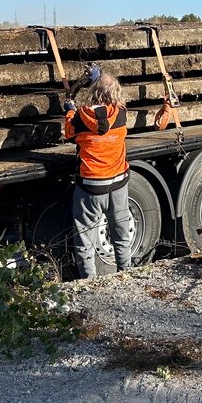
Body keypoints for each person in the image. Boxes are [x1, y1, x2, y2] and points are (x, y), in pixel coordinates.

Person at [63, 71, 134, 278]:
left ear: (94, 91)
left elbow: (69, 132)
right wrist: (99, 80)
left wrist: (69, 111)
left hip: (91, 186)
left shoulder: (81, 117)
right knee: (121, 236)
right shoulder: (121, 114)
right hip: (118, 184)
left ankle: (90, 283)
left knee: (85, 241)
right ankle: (126, 276)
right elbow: (105, 113)